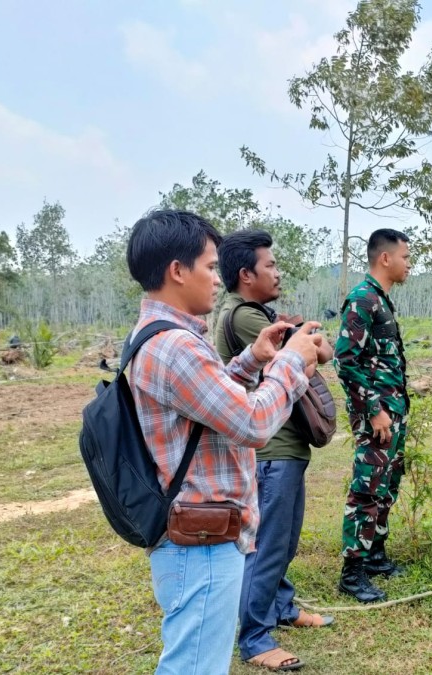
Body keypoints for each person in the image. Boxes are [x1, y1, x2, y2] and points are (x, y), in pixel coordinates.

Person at [125, 210, 322, 674]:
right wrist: (290, 363)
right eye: (211, 268)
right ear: (178, 270)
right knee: (195, 667)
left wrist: (252, 359)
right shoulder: (176, 347)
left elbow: (203, 405)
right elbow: (252, 422)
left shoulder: (157, 337)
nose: (218, 280)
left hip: (194, 532)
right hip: (203, 540)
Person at [214, 229, 334, 672]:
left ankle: (281, 606)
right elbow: (307, 355)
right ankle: (255, 637)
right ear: (246, 275)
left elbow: (320, 353)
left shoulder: (257, 313)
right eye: (270, 266)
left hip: (286, 446)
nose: (278, 272)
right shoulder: (246, 317)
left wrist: (309, 343)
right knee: (267, 545)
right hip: (272, 450)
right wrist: (307, 341)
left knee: (282, 541)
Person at [334, 228, 411, 603]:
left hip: (394, 411)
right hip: (377, 415)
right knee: (366, 489)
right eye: (406, 257)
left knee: (386, 485)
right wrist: (375, 410)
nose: (409, 264)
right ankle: (352, 572)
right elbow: (345, 360)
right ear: (386, 258)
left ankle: (376, 555)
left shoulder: (381, 300)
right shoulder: (362, 300)